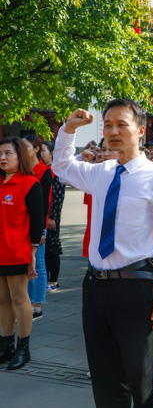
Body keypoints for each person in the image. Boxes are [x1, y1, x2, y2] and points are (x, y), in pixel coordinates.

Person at [52, 99, 153, 407]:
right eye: (108, 124)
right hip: (95, 285)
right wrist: (69, 129)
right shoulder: (101, 172)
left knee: (140, 377)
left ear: (140, 131)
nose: (113, 131)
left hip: (135, 288)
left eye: (121, 125)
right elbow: (61, 167)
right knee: (104, 376)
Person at [0, 137, 44, 370]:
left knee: (19, 298)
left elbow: (37, 222)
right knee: (2, 300)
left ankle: (23, 348)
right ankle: (5, 346)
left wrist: (33, 253)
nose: (3, 158)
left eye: (8, 153)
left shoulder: (29, 184)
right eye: (0, 154)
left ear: (20, 156)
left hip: (17, 252)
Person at [22, 134, 52, 321]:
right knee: (26, 264)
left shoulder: (44, 171)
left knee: (38, 264)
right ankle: (25, 303)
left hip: (38, 224)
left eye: (26, 146)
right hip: (22, 223)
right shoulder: (21, 170)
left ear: (36, 149)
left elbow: (46, 203)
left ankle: (37, 306)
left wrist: (42, 229)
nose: (22, 149)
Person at [41, 141, 65, 292]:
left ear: (51, 153)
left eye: (44, 150)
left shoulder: (56, 171)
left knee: (52, 249)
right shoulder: (41, 170)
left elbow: (58, 198)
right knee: (44, 249)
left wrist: (53, 218)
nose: (41, 153)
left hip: (51, 217)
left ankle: (53, 280)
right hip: (42, 216)